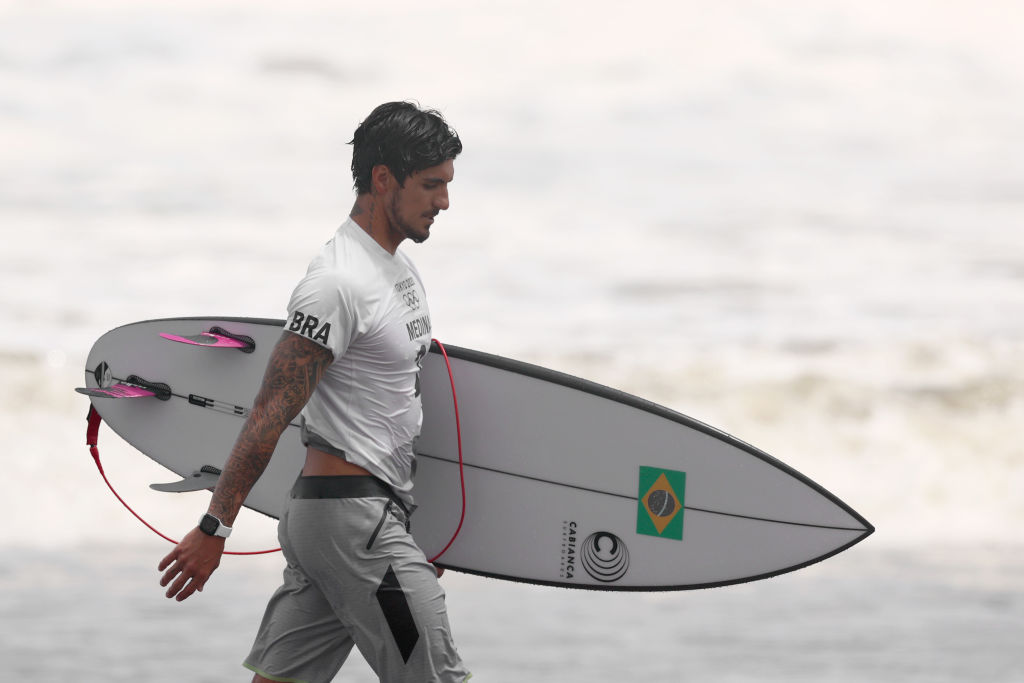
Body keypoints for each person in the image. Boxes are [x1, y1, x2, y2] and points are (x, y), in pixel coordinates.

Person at [157, 101, 471, 683]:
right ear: (384, 179)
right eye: (431, 185)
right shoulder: (337, 284)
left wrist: (404, 536)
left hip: (359, 524)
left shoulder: (396, 271)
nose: (444, 202)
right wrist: (214, 527)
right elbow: (270, 413)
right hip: (352, 523)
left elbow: (388, 402)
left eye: (447, 184)